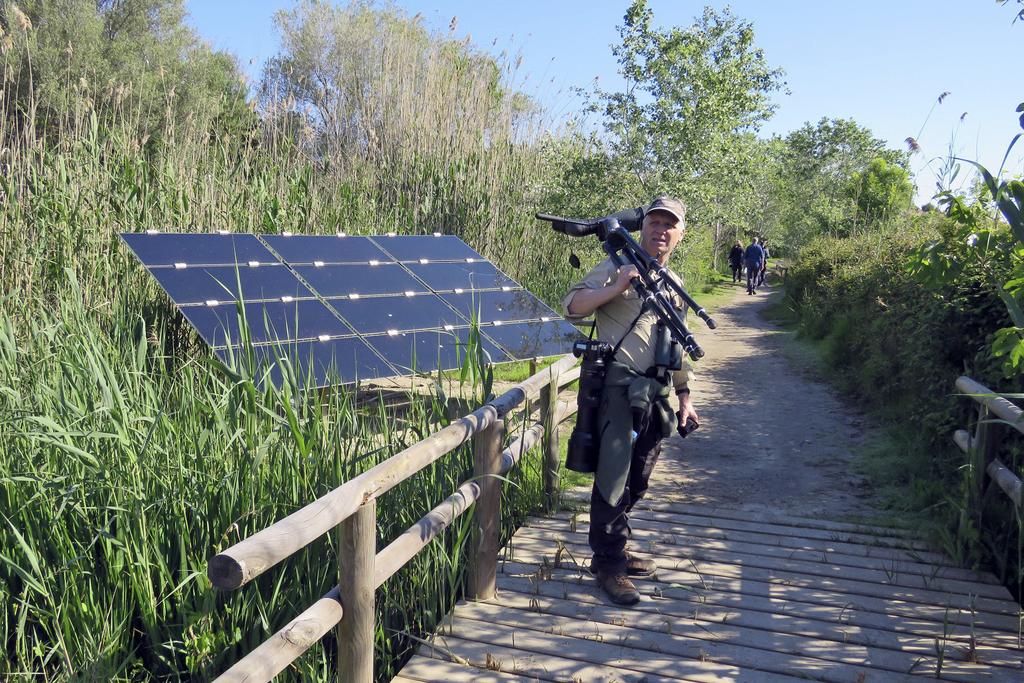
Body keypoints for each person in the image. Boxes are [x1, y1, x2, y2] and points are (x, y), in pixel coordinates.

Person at [562, 195, 699, 606]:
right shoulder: (614, 268)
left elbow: (678, 347)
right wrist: (618, 285)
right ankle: (608, 565)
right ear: (643, 228)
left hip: (655, 394)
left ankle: (615, 547)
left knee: (639, 477)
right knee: (613, 477)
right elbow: (572, 306)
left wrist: (685, 397)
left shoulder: (674, 285)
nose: (660, 230)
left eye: (669, 225)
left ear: (679, 234)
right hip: (619, 391)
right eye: (654, 223)